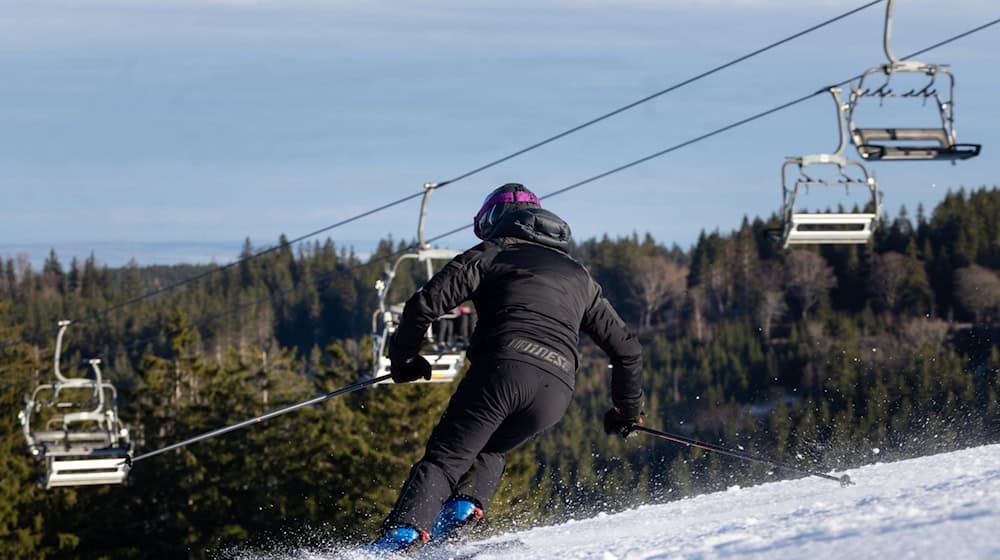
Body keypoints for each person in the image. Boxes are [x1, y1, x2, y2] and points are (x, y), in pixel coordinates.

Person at [369, 183, 644, 552]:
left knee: (445, 459)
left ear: (497, 221)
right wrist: (627, 411)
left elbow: (423, 305)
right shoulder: (581, 277)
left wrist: (403, 359)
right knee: (490, 448)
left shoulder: (492, 253)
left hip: (502, 370)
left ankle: (398, 539)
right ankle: (458, 515)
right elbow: (626, 349)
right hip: (556, 391)